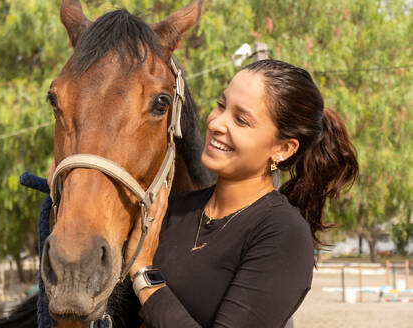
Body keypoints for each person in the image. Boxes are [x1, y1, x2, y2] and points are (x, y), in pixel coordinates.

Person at [124, 59, 359, 327]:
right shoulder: (173, 209)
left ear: (282, 149)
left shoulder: (283, 234)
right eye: (221, 105)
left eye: (241, 120)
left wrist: (144, 274)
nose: (216, 123)